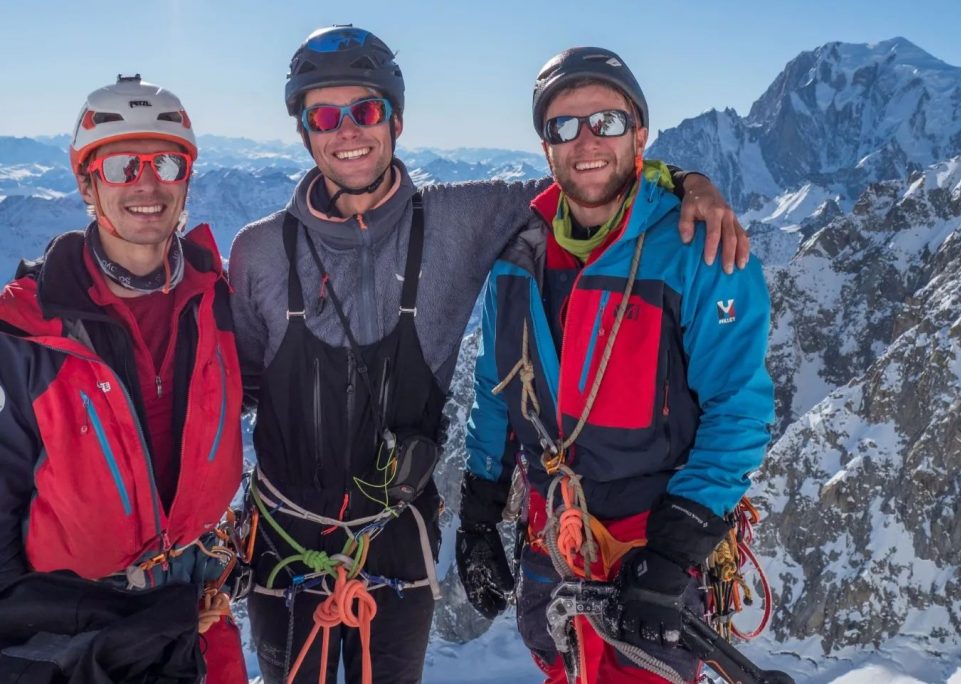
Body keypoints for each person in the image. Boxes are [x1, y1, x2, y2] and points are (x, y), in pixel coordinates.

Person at [228, 25, 748, 684]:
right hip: (284, 540)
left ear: (396, 119)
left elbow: (589, 178)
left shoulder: (462, 219)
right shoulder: (257, 252)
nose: (347, 130)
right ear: (303, 131)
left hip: (398, 540)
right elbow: (231, 395)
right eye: (324, 115)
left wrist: (688, 182)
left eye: (365, 109)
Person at [457, 47, 775, 684]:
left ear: (640, 134)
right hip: (554, 534)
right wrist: (479, 510)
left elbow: (738, 409)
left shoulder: (698, 250)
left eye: (605, 121)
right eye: (564, 127)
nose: (585, 142)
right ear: (546, 146)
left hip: (650, 538)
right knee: (560, 666)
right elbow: (497, 393)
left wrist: (675, 546)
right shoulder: (517, 260)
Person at [0, 75, 246, 683]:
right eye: (120, 166)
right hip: (82, 635)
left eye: (166, 161)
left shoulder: (218, 300)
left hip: (198, 609)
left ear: (186, 177)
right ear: (87, 182)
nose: (147, 183)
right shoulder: (25, 332)